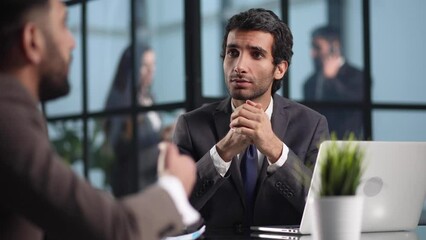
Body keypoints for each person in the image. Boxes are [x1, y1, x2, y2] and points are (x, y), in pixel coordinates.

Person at [0, 0, 199, 239]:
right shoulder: (7, 116)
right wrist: (175, 187)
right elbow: (111, 229)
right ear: (32, 40)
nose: (73, 42)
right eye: (64, 24)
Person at [173, 8, 329, 229]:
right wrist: (221, 153)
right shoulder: (190, 125)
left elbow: (323, 209)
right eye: (233, 52)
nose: (239, 66)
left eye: (256, 54)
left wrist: (275, 149)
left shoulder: (311, 125)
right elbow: (175, 209)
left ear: (280, 69)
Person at [104, 45, 165, 196]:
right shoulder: (122, 103)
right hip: (134, 183)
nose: (151, 70)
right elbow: (119, 145)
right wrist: (160, 136)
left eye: (153, 64)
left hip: (154, 179)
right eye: (145, 65)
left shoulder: (149, 98)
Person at [303, 25, 364, 139]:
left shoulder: (358, 76)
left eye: (317, 47)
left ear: (334, 46)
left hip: (349, 147)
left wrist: (331, 79)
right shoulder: (309, 82)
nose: (312, 54)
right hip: (317, 148)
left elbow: (354, 106)